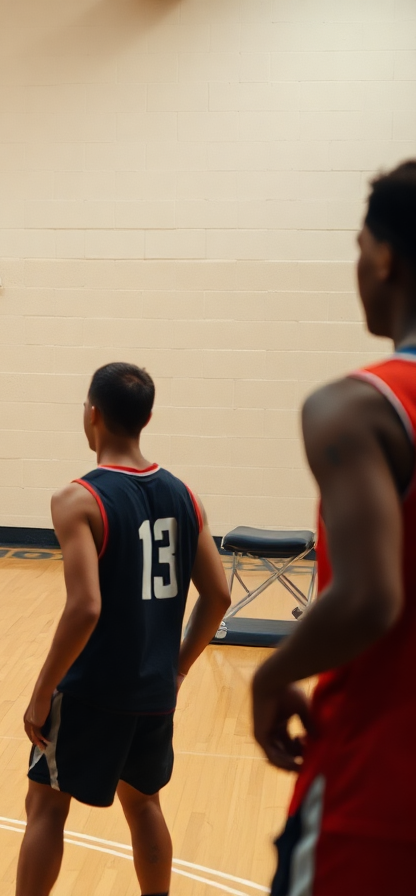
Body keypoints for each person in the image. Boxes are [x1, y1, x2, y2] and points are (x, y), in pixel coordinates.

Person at [253, 161, 416, 895]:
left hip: (382, 780)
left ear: (382, 256)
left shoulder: (359, 406)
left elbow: (370, 597)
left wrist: (274, 670)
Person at [16, 362, 232, 896]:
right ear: (148, 418)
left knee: (44, 805)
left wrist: (42, 692)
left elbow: (85, 607)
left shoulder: (78, 498)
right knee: (144, 805)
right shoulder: (186, 495)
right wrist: (178, 668)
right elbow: (220, 595)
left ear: (91, 414)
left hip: (93, 689)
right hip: (154, 689)